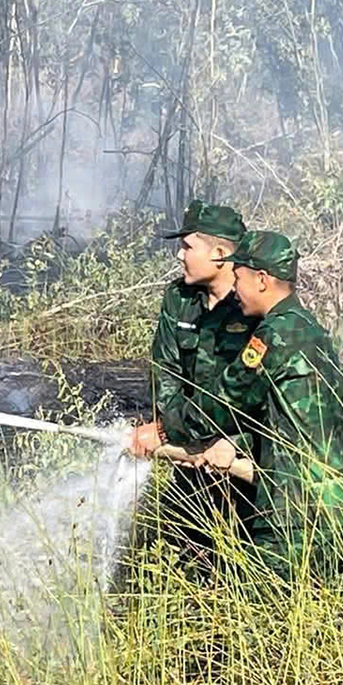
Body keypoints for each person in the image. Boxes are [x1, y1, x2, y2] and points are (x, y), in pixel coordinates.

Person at [192, 230, 343, 587]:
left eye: (238, 278)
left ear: (262, 280)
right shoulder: (310, 329)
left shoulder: (272, 335)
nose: (234, 289)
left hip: (298, 508)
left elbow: (223, 401)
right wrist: (236, 443)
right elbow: (294, 412)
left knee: (256, 615)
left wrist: (161, 431)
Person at [128, 199, 259, 555]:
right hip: (189, 453)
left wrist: (234, 441)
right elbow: (165, 372)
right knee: (178, 554)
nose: (179, 255)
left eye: (187, 246)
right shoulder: (179, 299)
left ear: (218, 254)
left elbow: (268, 394)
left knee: (249, 564)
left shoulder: (256, 305)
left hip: (248, 463)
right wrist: (169, 429)